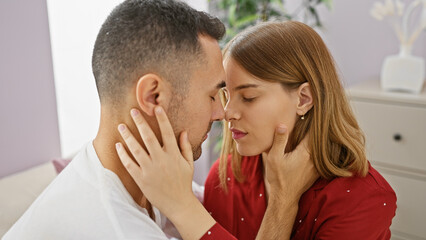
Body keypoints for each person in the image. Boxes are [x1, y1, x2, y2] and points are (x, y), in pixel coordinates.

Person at [117, 21, 397, 240]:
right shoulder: (225, 177)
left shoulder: (363, 199)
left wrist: (183, 208)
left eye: (248, 97)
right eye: (226, 95)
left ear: (303, 99)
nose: (227, 113)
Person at [4, 0, 230, 239]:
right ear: (153, 96)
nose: (221, 113)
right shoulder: (117, 230)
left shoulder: (139, 170)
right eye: (212, 95)